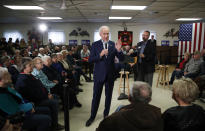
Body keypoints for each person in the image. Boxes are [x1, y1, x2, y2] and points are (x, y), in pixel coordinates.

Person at [85, 26, 124, 127]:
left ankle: (106, 115)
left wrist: (119, 50)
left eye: (108, 33)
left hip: (110, 75)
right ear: (100, 34)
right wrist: (100, 55)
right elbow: (90, 60)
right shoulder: (95, 45)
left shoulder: (112, 44)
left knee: (108, 97)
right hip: (99, 75)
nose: (106, 36)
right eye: (104, 34)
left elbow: (122, 58)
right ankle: (92, 116)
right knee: (96, 97)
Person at [96, 81, 163, 131]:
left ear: (129, 98)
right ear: (150, 99)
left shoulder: (114, 118)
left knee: (120, 107)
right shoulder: (160, 115)